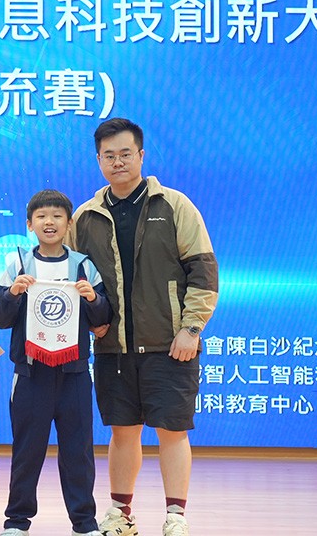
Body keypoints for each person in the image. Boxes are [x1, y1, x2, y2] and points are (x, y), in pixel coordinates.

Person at [68, 119, 218, 536]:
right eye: (109, 156)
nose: (117, 162)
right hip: (112, 347)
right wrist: (92, 325)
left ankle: (176, 517)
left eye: (125, 154)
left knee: (172, 431)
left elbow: (203, 269)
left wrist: (191, 328)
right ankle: (121, 514)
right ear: (98, 160)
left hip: (170, 344)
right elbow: (74, 282)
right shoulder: (85, 217)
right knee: (122, 432)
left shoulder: (174, 205)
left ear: (141, 156)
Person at [0, 189, 111, 536]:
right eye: (41, 216)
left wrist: (93, 298)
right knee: (27, 452)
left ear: (69, 223)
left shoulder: (83, 265)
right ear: (29, 224)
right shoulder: (18, 264)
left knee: (78, 452)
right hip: (31, 374)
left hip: (74, 373)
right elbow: (0, 317)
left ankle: (84, 524)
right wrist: (13, 293)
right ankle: (17, 522)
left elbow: (104, 316)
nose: (49, 222)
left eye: (57, 216)